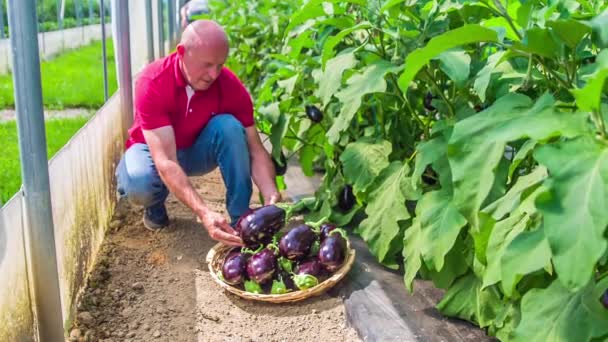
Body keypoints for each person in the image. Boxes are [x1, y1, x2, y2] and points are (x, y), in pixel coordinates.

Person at [115, 20, 281, 247]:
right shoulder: (153, 82)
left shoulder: (230, 86)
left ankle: (240, 217)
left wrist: (270, 193)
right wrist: (204, 212)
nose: (214, 74)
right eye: (207, 65)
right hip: (154, 153)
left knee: (231, 127)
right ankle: (154, 206)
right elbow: (166, 161)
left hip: (196, 150)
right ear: (182, 52)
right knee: (139, 182)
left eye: (220, 65)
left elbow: (256, 150)